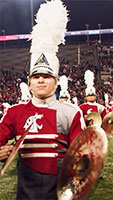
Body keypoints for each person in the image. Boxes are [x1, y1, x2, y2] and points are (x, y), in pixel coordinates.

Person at [0, 0, 85, 199]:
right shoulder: (14, 113)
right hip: (25, 191)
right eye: (35, 76)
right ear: (29, 82)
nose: (40, 80)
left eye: (46, 77)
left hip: (61, 191)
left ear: (55, 82)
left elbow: (82, 153)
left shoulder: (71, 112)